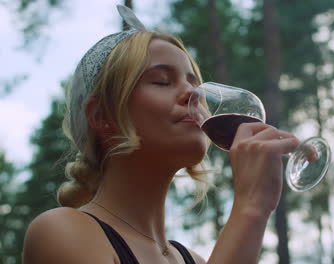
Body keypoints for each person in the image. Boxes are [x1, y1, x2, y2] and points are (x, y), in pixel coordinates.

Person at [22, 5, 301, 264]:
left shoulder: (194, 259)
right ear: (101, 116)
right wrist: (251, 207)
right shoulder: (61, 232)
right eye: (162, 81)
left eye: (194, 82)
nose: (193, 94)